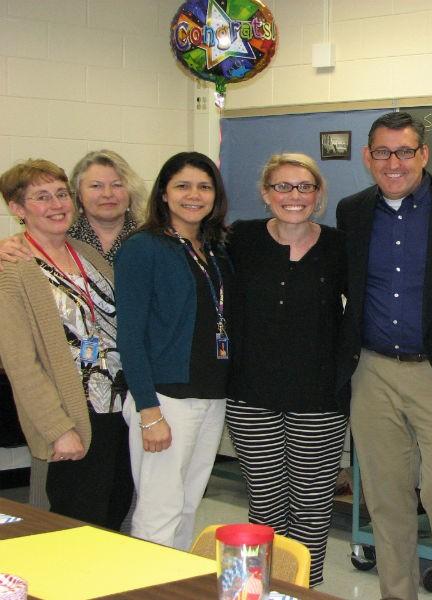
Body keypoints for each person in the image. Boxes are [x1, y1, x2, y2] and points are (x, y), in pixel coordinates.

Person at [335, 111, 432, 600]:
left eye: (404, 151)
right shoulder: (351, 211)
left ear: (424, 154)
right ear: (367, 157)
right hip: (372, 373)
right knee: (385, 499)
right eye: (382, 152)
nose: (393, 162)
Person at [226, 153, 348, 587]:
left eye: (304, 187)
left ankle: (302, 590)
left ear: (318, 196)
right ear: (265, 194)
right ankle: (257, 590)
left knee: (312, 509)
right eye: (282, 187)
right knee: (265, 506)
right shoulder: (237, 239)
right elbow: (174, 240)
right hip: (250, 397)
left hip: (319, 400)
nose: (293, 196)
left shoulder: (340, 245)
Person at [0, 159, 132, 528]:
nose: (56, 205)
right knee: (78, 523)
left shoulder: (85, 253)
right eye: (41, 197)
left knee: (115, 514)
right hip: (74, 415)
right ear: (17, 208)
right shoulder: (12, 269)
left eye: (61, 194)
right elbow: (20, 363)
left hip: (118, 408)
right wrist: (58, 429)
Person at [115, 151, 233, 550]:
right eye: (182, 186)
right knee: (158, 512)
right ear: (164, 194)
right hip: (166, 400)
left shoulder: (215, 248)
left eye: (204, 186)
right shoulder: (143, 248)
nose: (194, 195)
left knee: (186, 507)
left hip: (210, 396)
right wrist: (148, 411)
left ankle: (176, 588)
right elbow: (129, 335)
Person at [0, 149, 145, 265]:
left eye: (117, 185)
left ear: (131, 190)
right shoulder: (59, 235)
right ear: (78, 194)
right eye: (96, 186)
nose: (107, 194)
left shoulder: (153, 238)